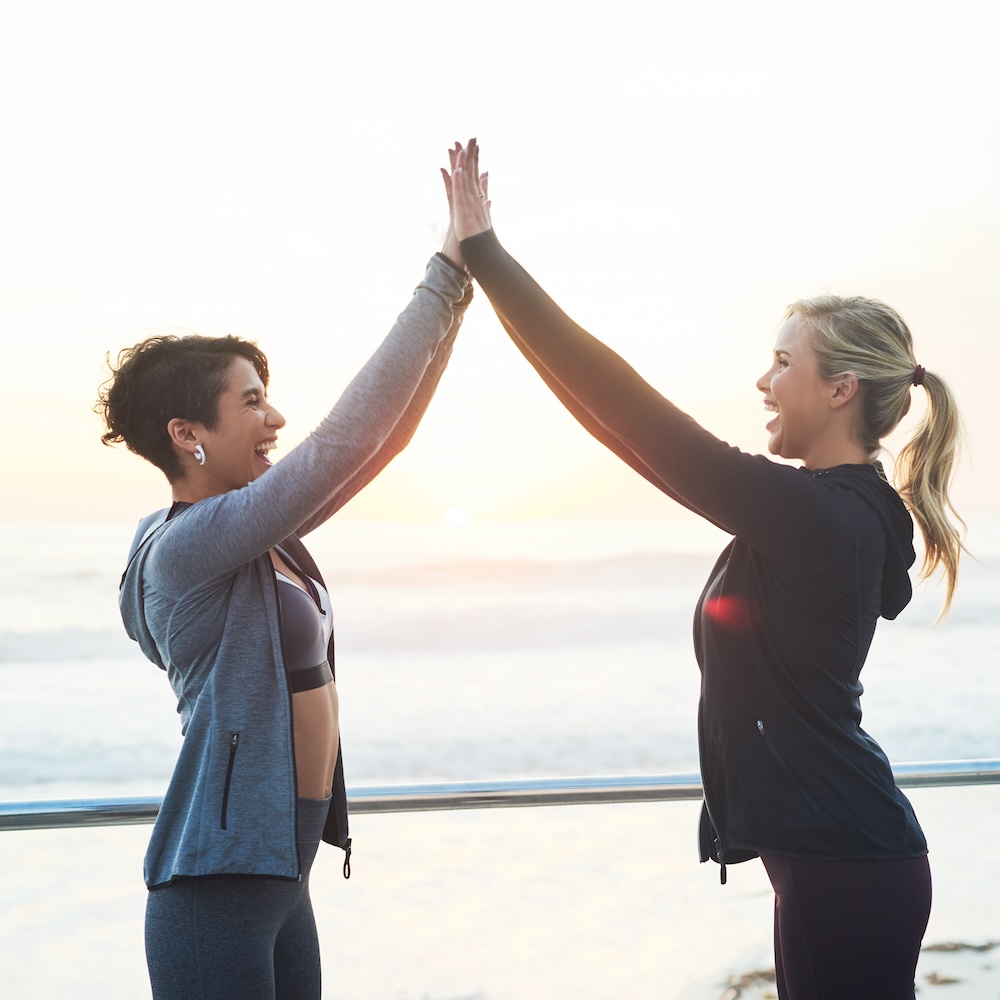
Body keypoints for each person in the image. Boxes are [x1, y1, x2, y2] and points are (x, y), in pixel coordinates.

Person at [446, 139, 964, 999]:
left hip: (845, 863)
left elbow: (631, 411)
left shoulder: (819, 517)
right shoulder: (835, 511)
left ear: (840, 390)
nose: (764, 382)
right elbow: (627, 432)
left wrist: (490, 258)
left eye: (783, 363)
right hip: (836, 857)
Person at [96, 178, 473, 1000]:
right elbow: (341, 442)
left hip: (280, 871)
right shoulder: (191, 545)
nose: (276, 419)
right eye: (253, 401)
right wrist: (440, 275)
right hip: (218, 889)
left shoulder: (263, 538)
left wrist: (460, 295)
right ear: (186, 435)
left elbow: (381, 442)